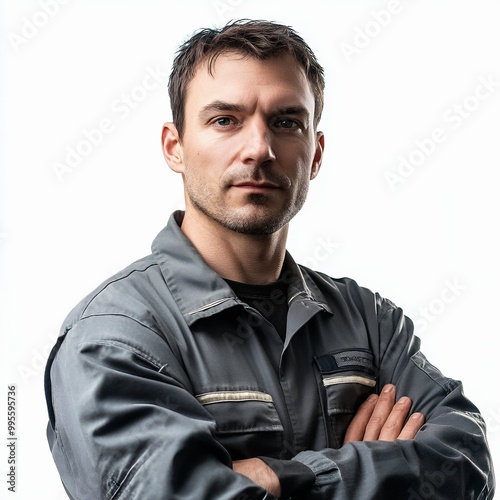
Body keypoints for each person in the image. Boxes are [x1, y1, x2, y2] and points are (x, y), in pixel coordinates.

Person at [44, 19, 495, 499]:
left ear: (315, 154)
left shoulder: (370, 321)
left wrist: (276, 477)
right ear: (174, 147)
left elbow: (467, 461)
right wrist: (374, 471)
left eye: (286, 122)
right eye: (225, 120)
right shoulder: (116, 338)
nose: (258, 149)